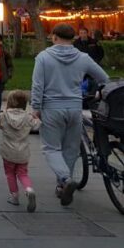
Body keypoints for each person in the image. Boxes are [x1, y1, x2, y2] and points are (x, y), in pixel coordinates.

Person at [31, 23, 108, 206]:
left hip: (51, 108)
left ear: (54, 37)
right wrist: (98, 93)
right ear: (72, 38)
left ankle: (65, 179)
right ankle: (62, 185)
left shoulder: (43, 57)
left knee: (51, 148)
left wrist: (36, 108)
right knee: (71, 149)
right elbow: (103, 78)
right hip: (74, 108)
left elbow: (37, 85)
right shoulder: (83, 58)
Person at [0, 90, 41, 212]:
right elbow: (37, 126)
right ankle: (29, 189)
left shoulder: (3, 115)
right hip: (23, 152)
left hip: (7, 151)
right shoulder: (28, 117)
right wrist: (36, 118)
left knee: (10, 173)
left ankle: (14, 196)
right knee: (23, 174)